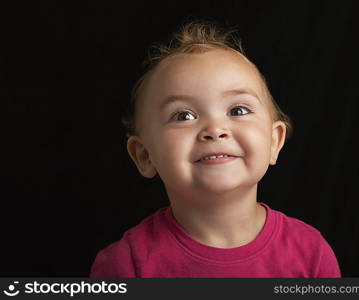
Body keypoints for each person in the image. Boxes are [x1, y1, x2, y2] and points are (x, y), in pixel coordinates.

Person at [89, 20, 341, 278]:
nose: (215, 128)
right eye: (183, 116)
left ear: (274, 142)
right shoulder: (126, 265)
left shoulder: (311, 253)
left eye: (238, 110)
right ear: (144, 156)